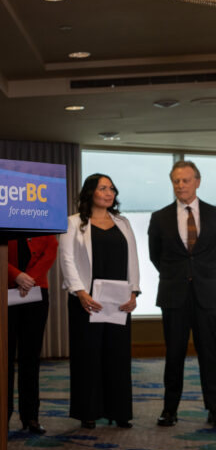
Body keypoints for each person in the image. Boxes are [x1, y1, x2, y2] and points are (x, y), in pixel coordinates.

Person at [58, 174, 140, 429]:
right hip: (86, 300)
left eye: (111, 188)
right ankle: (88, 411)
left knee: (117, 355)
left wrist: (134, 293)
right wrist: (80, 292)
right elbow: (67, 259)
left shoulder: (123, 222)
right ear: (90, 192)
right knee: (88, 356)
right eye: (103, 188)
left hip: (118, 300)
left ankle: (119, 411)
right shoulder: (73, 223)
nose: (109, 192)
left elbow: (133, 259)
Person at [149, 160, 216, 426]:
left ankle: (214, 407)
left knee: (210, 354)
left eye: (185, 180)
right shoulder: (160, 217)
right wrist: (178, 276)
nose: (180, 185)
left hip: (208, 295)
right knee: (174, 354)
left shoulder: (214, 214)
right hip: (174, 295)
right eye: (176, 181)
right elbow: (156, 256)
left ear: (197, 182)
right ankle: (170, 410)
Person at [7, 235, 58, 435]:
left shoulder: (40, 216)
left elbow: (50, 249)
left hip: (36, 291)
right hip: (4, 288)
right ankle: (2, 415)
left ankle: (31, 416)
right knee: (5, 357)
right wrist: (16, 275)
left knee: (31, 357)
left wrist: (28, 279)